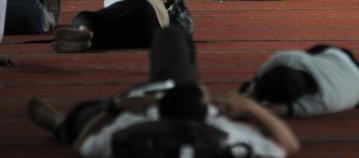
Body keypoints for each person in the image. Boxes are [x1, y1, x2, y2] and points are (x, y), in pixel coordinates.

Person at [28, 25, 300, 158]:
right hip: (164, 98)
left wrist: (118, 107)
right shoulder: (230, 139)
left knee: (80, 116)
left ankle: (59, 125)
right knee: (173, 35)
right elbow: (288, 144)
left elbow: (81, 145)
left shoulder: (131, 134)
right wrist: (248, 106)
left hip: (140, 101)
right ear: (209, 114)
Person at [241, 45, 359, 117]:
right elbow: (259, 82)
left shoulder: (321, 101)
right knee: (318, 50)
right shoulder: (289, 59)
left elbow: (268, 109)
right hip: (337, 56)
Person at [51, 0, 169, 53]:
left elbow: (117, 11)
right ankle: (90, 43)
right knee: (106, 39)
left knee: (86, 16)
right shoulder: (167, 19)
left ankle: (83, 31)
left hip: (144, 6)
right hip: (153, 36)